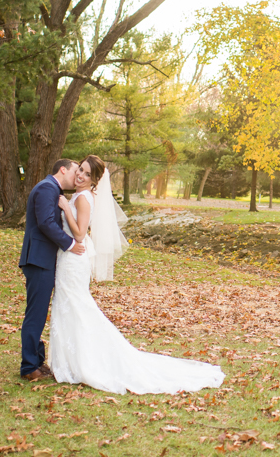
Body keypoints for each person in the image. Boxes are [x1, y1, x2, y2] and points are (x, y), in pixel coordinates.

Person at [48, 154, 225, 395]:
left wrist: (64, 209)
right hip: (70, 259)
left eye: (87, 174)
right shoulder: (79, 196)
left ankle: (83, 362)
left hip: (74, 259)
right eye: (80, 170)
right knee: (72, 306)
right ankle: (72, 360)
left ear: (95, 180)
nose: (80, 175)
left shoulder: (83, 199)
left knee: (77, 306)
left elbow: (79, 234)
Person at [19, 159, 86, 381]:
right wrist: (70, 244)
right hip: (39, 260)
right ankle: (29, 367)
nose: (77, 176)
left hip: (42, 259)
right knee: (35, 315)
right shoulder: (47, 188)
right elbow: (46, 223)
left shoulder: (50, 188)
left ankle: (36, 361)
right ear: (63, 169)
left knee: (38, 313)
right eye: (76, 171)